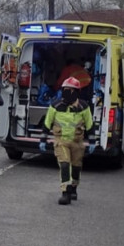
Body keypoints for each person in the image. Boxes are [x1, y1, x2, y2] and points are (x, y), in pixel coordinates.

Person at [40, 76, 94, 205]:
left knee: (76, 167)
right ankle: (65, 192)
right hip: (61, 141)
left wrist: (92, 141)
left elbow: (90, 125)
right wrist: (43, 139)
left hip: (77, 142)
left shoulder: (83, 106)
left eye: (71, 90)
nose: (67, 92)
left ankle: (74, 187)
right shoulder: (56, 105)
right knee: (64, 165)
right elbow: (47, 123)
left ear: (76, 92)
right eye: (65, 89)